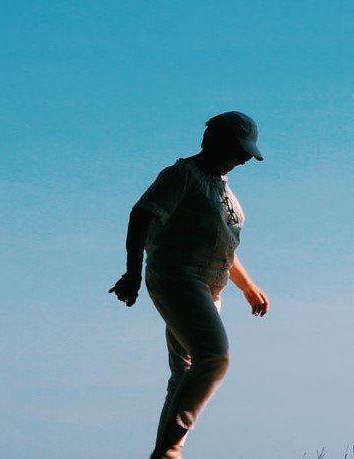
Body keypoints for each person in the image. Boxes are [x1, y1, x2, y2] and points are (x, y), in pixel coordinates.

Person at [109, 111, 270, 459]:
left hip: (211, 287)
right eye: (239, 151)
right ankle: (169, 450)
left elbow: (222, 242)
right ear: (215, 143)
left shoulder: (223, 187)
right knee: (214, 356)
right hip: (177, 277)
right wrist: (132, 272)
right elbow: (142, 215)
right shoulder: (181, 175)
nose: (243, 160)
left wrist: (247, 286)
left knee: (184, 373)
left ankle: (166, 450)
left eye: (247, 154)